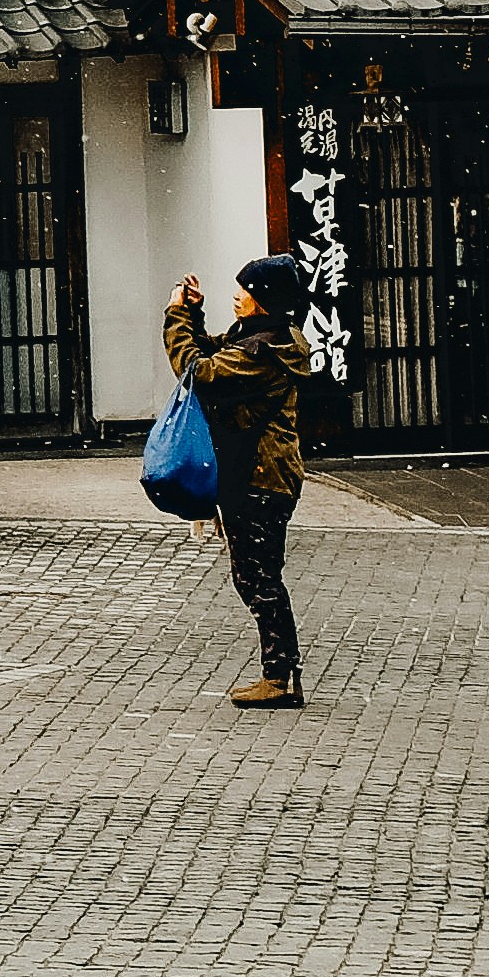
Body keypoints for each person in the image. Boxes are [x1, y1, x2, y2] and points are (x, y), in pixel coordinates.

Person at [166, 258, 311, 709]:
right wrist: (192, 314)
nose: (237, 295)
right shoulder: (261, 337)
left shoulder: (262, 351)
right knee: (259, 577)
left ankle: (279, 678)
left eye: (245, 289)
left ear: (264, 299)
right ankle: (282, 674)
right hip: (259, 476)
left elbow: (200, 371)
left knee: (259, 579)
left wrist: (175, 317)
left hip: (260, 479)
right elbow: (212, 349)